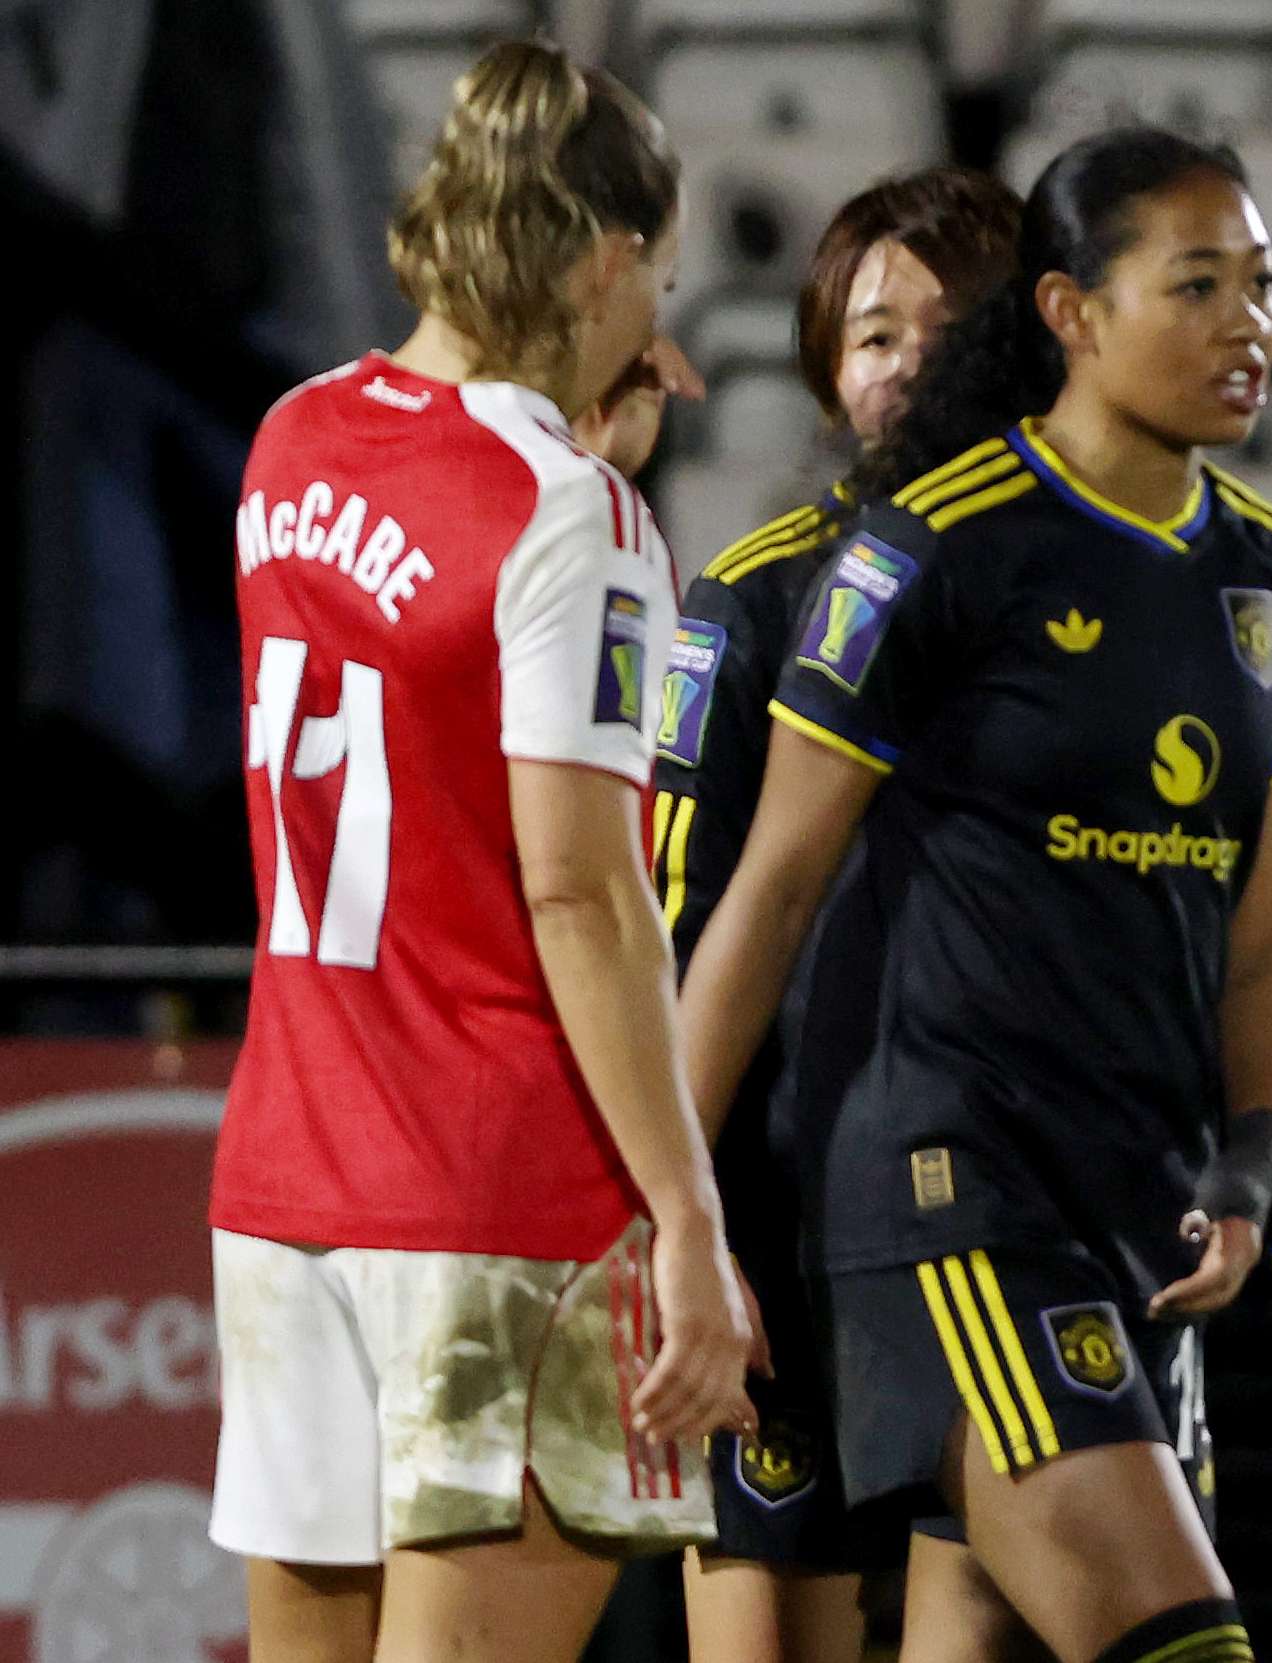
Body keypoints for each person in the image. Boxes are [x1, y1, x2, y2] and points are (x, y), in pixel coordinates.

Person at [652, 163, 1272, 1663]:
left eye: (1265, 283)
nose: (912, 362)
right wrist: (669, 1223)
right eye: (870, 333)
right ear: (1077, 315)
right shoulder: (835, 581)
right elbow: (732, 912)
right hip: (900, 1202)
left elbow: (1249, 931)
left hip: (1139, 1205)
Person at [207, 38, 753, 1663]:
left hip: (286, 1188)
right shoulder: (567, 511)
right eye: (652, 274)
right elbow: (580, 893)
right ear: (598, 259)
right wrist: (688, 1210)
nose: (657, 319)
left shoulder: (289, 441)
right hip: (499, 1206)